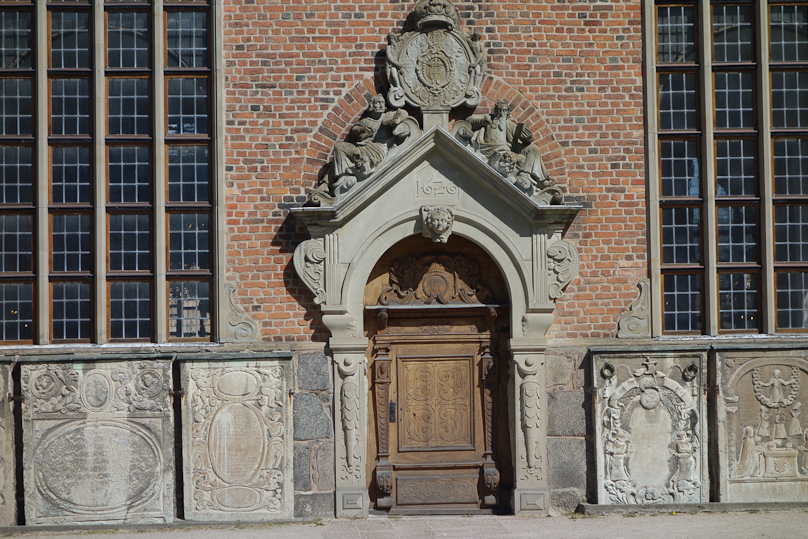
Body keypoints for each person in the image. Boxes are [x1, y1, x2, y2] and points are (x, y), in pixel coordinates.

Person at [465, 100, 552, 192]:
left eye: (504, 111)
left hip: (506, 151)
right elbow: (469, 119)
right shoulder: (488, 118)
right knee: (520, 159)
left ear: (508, 113)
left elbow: (524, 139)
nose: (501, 113)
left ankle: (531, 177)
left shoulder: (510, 125)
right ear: (495, 110)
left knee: (534, 149)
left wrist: (528, 136)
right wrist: (482, 121)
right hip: (491, 150)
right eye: (499, 110)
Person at [331, 94, 409, 192]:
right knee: (339, 146)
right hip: (363, 148)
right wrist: (362, 130)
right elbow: (354, 130)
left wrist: (397, 120)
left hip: (378, 150)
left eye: (382, 103)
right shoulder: (366, 121)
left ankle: (362, 169)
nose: (380, 106)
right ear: (372, 105)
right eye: (377, 103)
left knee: (362, 156)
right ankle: (343, 177)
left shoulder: (388, 116)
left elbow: (403, 113)